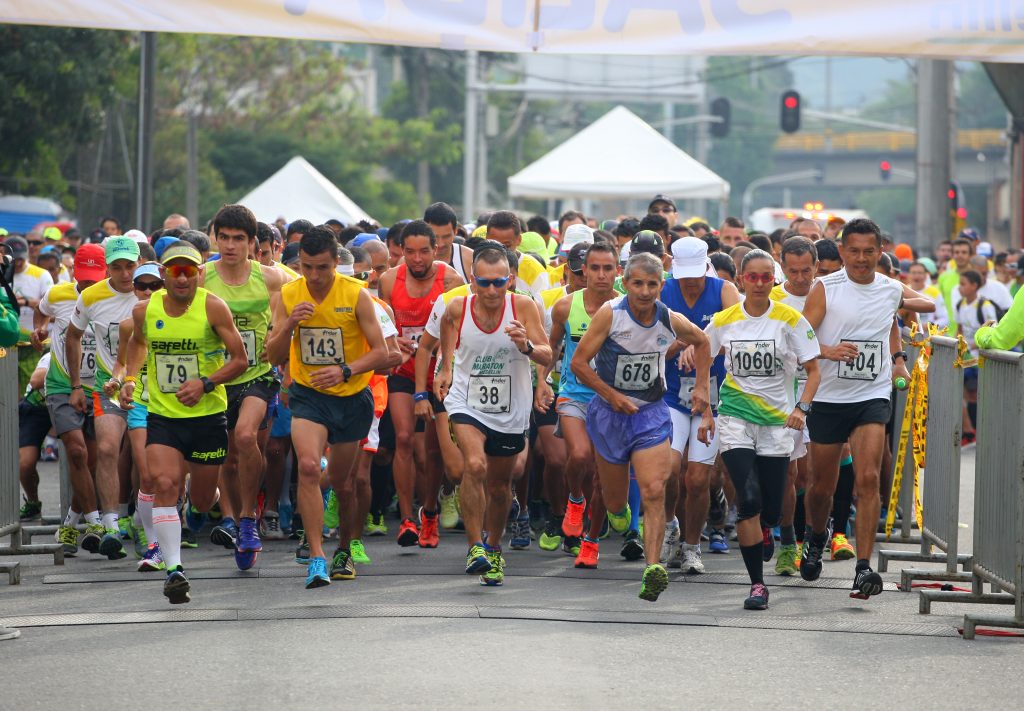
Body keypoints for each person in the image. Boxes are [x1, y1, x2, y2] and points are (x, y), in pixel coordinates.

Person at [801, 218, 935, 598]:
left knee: (868, 479)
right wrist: (827, 350)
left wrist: (897, 354)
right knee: (820, 486)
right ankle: (816, 535)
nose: (861, 259)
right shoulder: (825, 288)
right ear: (842, 251)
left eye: (868, 251)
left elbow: (915, 308)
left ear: (880, 252)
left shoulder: (891, 288)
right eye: (854, 251)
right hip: (828, 397)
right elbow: (800, 336)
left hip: (871, 396)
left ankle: (863, 568)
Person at [570, 252, 713, 602]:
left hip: (650, 413)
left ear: (661, 285)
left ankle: (652, 568)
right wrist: (611, 395)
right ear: (625, 282)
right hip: (609, 415)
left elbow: (703, 341)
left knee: (653, 490)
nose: (645, 291)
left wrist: (702, 387)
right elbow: (579, 364)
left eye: (652, 284)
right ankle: (618, 515)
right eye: (637, 284)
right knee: (616, 502)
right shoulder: (610, 315)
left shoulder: (669, 317)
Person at [120, 242, 247, 603]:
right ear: (163, 274)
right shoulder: (146, 311)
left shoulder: (213, 307)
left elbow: (240, 359)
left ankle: (198, 504)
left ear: (199, 274)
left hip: (207, 416)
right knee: (163, 483)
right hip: (165, 415)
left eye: (188, 270)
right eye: (173, 270)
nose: (180, 277)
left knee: (204, 503)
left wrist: (205, 383)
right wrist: (131, 380)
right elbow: (138, 345)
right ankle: (174, 570)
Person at [265, 227, 390, 588]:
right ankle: (317, 556)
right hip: (308, 394)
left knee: (342, 482)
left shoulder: (356, 294)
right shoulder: (289, 294)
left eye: (322, 268)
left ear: (336, 262)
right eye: (307, 267)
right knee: (307, 467)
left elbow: (382, 353)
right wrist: (289, 324)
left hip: (352, 398)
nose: (314, 276)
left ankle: (346, 550)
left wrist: (346, 369)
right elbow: (272, 356)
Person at [428, 244, 552, 586]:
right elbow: (446, 346)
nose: (493, 290)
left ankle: (494, 548)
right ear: (472, 280)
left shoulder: (523, 306)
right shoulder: (457, 308)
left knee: (500, 486)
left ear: (510, 280)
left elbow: (546, 354)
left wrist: (526, 346)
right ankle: (475, 548)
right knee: (475, 466)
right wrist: (444, 372)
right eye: (484, 283)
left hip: (511, 406)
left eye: (500, 283)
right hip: (466, 401)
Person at [705, 249, 821, 609]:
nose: (758, 284)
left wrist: (802, 408)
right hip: (735, 418)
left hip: (777, 422)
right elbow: (702, 352)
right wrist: (701, 397)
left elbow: (813, 371)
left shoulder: (790, 319)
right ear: (740, 280)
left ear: (775, 279)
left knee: (772, 506)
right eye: (751, 277)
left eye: (765, 277)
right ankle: (757, 585)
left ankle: (769, 528)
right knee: (748, 498)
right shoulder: (725, 319)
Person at [199, 204, 287, 567]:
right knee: (228, 456)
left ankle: (248, 517)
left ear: (254, 243)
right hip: (218, 378)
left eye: (239, 239)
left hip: (258, 374)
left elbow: (286, 323)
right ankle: (232, 518)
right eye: (224, 238)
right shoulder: (202, 277)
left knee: (248, 438)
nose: (231, 245)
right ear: (215, 239)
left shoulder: (273, 279)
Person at [379, 220, 464, 548]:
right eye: (410, 251)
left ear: (436, 249)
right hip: (402, 372)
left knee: (431, 452)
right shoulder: (389, 280)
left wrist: (444, 355)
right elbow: (381, 322)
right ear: (400, 250)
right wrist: (393, 343)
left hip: (439, 375)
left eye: (424, 251)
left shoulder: (450, 280)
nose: (417, 258)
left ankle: (429, 510)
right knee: (402, 439)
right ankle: (406, 520)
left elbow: (455, 328)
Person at [660, 237, 741, 574]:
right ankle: (669, 527)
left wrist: (704, 346)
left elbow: (738, 340)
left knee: (698, 479)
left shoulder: (724, 292)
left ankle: (693, 546)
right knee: (668, 470)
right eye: (685, 275)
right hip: (671, 396)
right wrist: (680, 344)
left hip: (713, 400)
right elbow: (648, 347)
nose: (692, 281)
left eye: (697, 274)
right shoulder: (662, 292)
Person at [541, 242, 620, 567]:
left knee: (602, 477)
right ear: (583, 271)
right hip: (574, 393)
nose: (601, 275)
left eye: (608, 269)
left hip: (613, 399)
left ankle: (590, 541)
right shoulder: (564, 307)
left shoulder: (627, 306)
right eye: (595, 268)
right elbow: (552, 346)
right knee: (580, 455)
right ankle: (575, 500)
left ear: (618, 272)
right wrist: (542, 383)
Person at [66, 236, 141, 559]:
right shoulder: (92, 295)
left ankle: (139, 520)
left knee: (144, 458)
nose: (125, 274)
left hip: (149, 387)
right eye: (117, 267)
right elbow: (73, 336)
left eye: (130, 266)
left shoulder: (151, 289)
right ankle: (111, 525)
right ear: (106, 267)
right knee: (108, 449)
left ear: (139, 264)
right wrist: (75, 385)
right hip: (105, 386)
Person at [33, 244, 107, 554]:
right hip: (62, 385)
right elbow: (40, 309)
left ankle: (69, 523)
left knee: (91, 462)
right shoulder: (59, 294)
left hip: (100, 387)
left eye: (95, 278)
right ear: (74, 271)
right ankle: (95, 523)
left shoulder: (111, 295)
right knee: (75, 452)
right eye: (84, 278)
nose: (89, 285)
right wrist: (40, 329)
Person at [7, 235, 55, 394]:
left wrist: (26, 302)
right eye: (14, 259)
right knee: (7, 389)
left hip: (32, 344)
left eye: (21, 259)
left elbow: (51, 306)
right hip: (7, 343)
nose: (17, 263)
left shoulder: (41, 275)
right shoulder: (3, 273)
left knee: (31, 389)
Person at [486, 211, 550, 299]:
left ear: (519, 240)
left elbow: (540, 308)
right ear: (486, 238)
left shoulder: (535, 272)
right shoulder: (476, 264)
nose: (500, 251)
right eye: (495, 244)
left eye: (506, 246)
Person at [425, 202, 473, 282]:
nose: (440, 244)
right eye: (435, 237)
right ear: (425, 231)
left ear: (455, 231)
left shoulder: (470, 260)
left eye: (446, 236)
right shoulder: (410, 261)